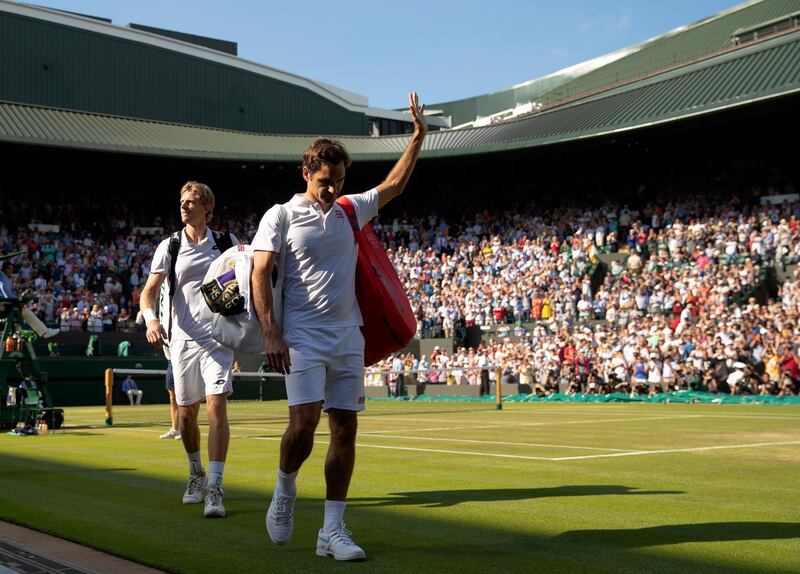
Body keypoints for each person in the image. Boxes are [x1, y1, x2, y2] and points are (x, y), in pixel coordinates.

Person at [252, 92, 428, 561]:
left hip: (349, 334)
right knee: (304, 424)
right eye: (326, 181)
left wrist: (418, 137)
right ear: (307, 173)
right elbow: (258, 273)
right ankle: (285, 490)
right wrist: (271, 331)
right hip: (301, 337)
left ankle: (331, 530)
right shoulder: (281, 215)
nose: (333, 189)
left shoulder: (351, 210)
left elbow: (393, 185)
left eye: (340, 181)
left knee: (345, 428)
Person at [140, 181, 238, 518]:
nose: (184, 206)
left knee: (216, 409)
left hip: (218, 340)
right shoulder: (170, 245)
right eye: (182, 201)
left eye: (192, 201)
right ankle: (195, 473)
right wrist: (152, 321)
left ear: (207, 207)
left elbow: (251, 277)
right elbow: (148, 292)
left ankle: (215, 486)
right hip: (181, 340)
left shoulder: (227, 243)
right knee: (186, 415)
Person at [0, 262, 60, 339]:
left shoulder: (4, 277)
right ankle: (44, 332)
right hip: (3, 308)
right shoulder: (2, 276)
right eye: (9, 269)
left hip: (4, 306)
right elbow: (6, 294)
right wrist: (18, 301)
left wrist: (18, 299)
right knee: (23, 310)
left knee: (19, 314)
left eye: (12, 269)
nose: (11, 271)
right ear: (4, 269)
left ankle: (17, 336)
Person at [160, 362, 181, 440]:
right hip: (170, 364)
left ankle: (185, 429)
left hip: (182, 362)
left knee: (183, 398)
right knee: (172, 398)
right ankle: (175, 430)